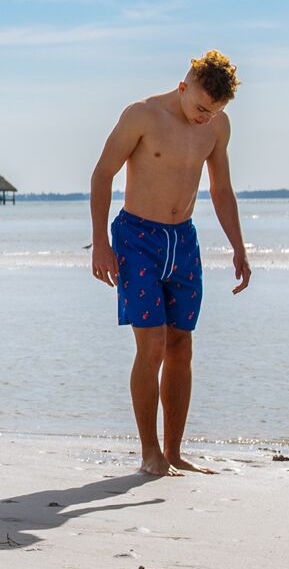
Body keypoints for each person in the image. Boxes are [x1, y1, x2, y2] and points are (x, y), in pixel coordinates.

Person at [86, 51, 251, 476]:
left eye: (213, 111)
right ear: (184, 85)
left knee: (182, 344)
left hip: (183, 240)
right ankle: (150, 454)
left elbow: (220, 189)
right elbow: (102, 174)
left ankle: (175, 452)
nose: (204, 118)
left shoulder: (217, 126)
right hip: (136, 238)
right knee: (152, 344)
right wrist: (100, 244)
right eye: (200, 107)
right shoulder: (142, 116)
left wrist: (239, 247)